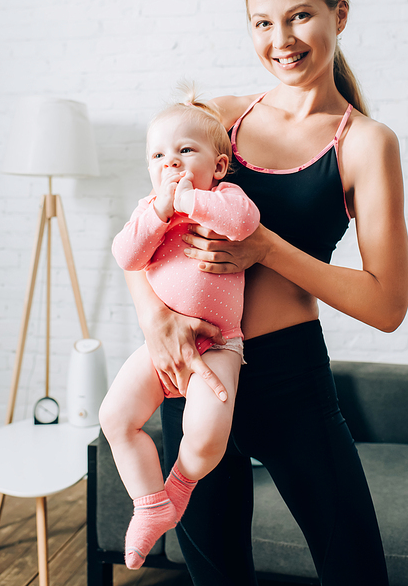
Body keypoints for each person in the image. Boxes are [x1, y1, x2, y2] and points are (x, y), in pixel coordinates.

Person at [123, 0, 408, 585]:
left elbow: (387, 303)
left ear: (340, 13)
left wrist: (267, 249)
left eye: (300, 15)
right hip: (194, 371)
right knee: (216, 577)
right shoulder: (221, 117)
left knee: (357, 571)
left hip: (292, 381)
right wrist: (155, 322)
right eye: (262, 22)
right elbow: (143, 233)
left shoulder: (365, 143)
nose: (281, 39)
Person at [99, 89, 260, 569]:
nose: (171, 163)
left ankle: (179, 487)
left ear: (220, 165)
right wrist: (162, 210)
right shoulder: (150, 209)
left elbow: (243, 224)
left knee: (207, 430)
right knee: (115, 417)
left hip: (219, 346)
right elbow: (126, 255)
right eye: (158, 155)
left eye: (185, 151)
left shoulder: (225, 197)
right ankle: (149, 504)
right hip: (160, 346)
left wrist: (194, 199)